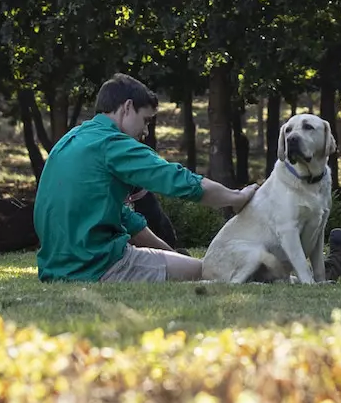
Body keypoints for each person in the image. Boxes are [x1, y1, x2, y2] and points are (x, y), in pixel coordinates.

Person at [35, 75, 255, 282]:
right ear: (127, 107)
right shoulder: (112, 144)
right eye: (146, 120)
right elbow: (179, 181)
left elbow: (124, 218)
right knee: (206, 271)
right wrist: (237, 197)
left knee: (188, 265)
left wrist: (168, 253)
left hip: (57, 269)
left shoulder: (71, 140)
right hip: (98, 265)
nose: (146, 132)